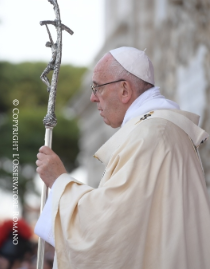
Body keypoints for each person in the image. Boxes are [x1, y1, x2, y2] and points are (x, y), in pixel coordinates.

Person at [35, 47, 210, 269]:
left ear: (125, 90)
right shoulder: (160, 129)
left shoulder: (149, 136)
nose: (92, 98)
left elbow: (107, 228)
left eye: (97, 87)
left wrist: (59, 181)